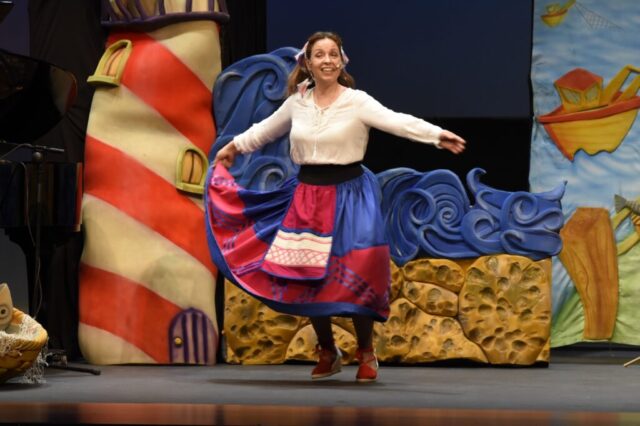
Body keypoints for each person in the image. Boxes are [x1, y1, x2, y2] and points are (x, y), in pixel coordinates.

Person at [208, 31, 466, 383]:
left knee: (358, 272)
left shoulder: (356, 101)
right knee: (307, 275)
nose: (327, 60)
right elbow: (265, 130)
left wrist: (436, 135)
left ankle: (366, 351)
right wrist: (234, 147)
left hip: (350, 196)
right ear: (307, 63)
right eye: (319, 55)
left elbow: (398, 121)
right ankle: (328, 351)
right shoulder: (298, 102)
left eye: (333, 54)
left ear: (342, 62)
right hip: (308, 196)